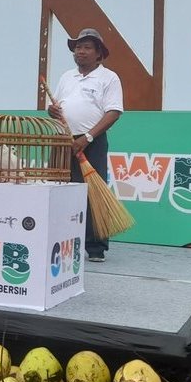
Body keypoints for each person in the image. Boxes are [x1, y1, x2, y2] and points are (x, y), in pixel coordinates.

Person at [48, 28, 123, 263]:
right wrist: (51, 111)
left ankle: (95, 247)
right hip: (65, 140)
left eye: (87, 47)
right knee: (62, 190)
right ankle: (62, 241)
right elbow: (57, 108)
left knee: (93, 193)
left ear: (99, 53)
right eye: (78, 47)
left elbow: (113, 112)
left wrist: (88, 138)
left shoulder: (108, 77)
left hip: (91, 141)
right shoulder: (66, 77)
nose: (80, 51)